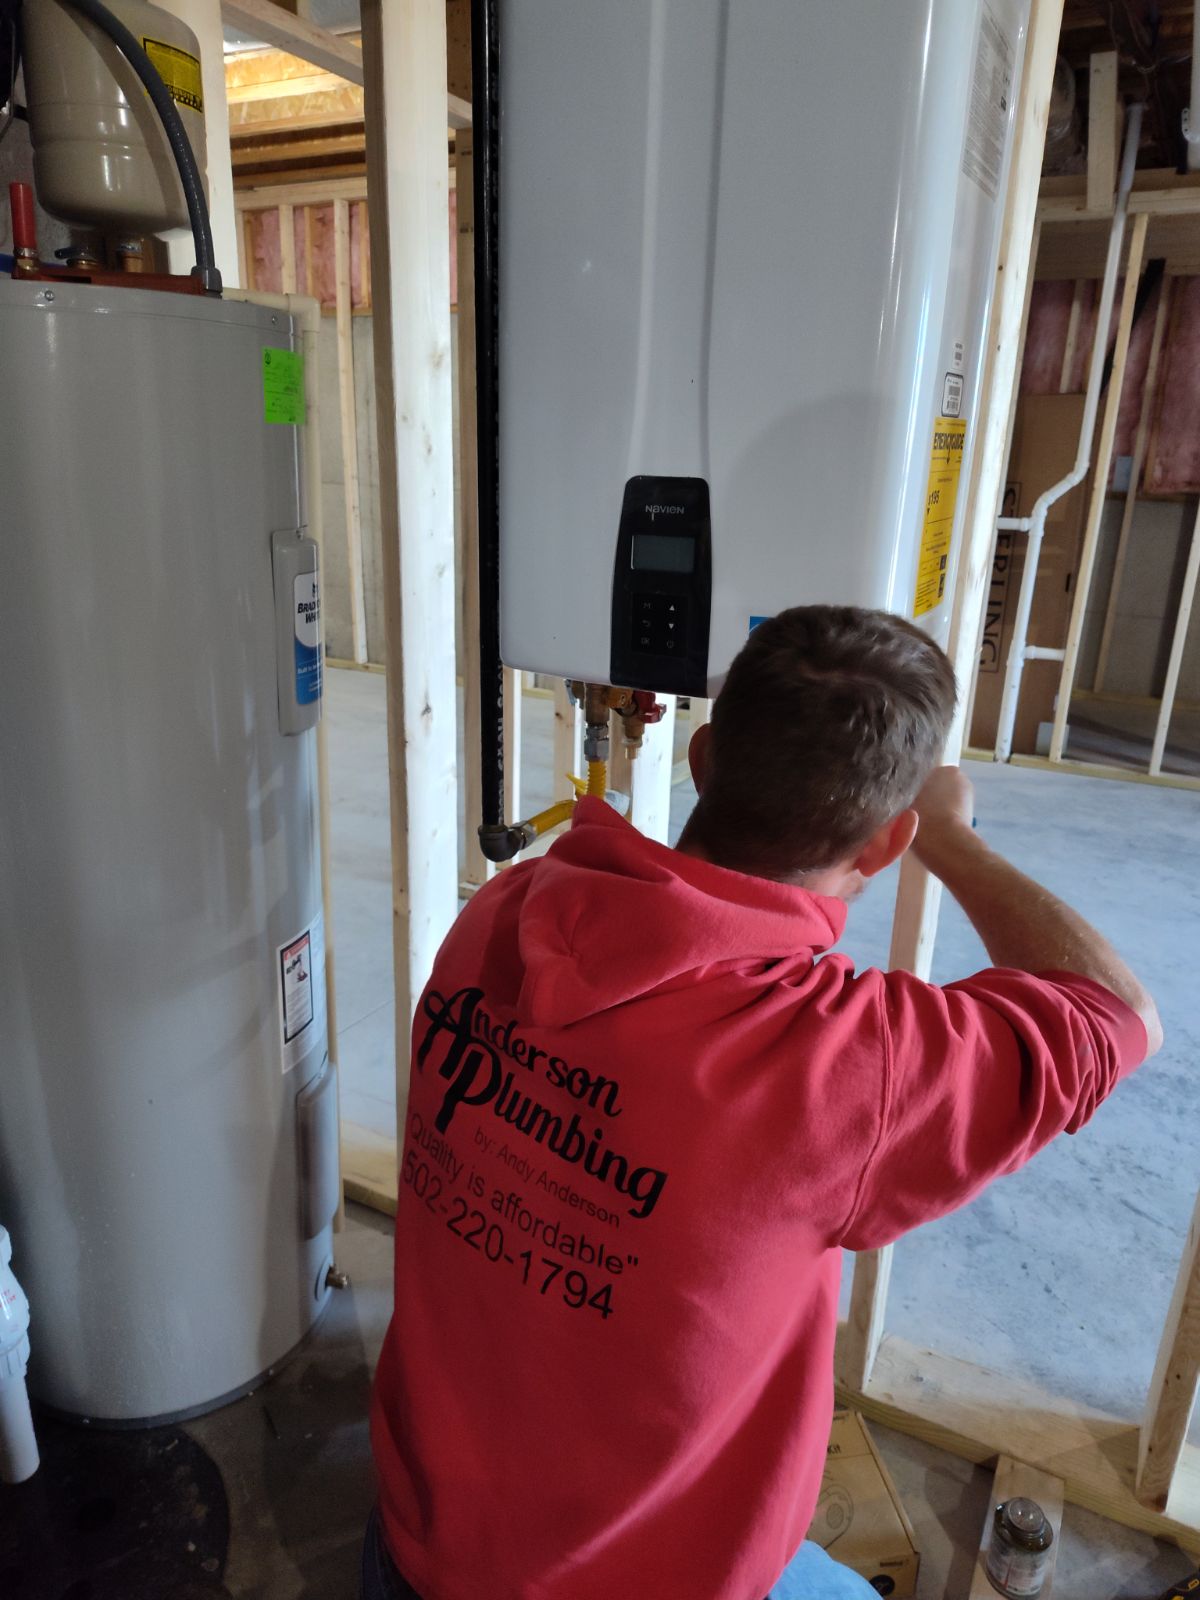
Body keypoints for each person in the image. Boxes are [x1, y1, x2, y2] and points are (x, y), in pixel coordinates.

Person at [364, 605, 1160, 1600]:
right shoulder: (841, 1064)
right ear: (882, 847)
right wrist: (948, 837)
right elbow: (1117, 1014)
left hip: (417, 1539)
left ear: (702, 757)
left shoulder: (504, 910)